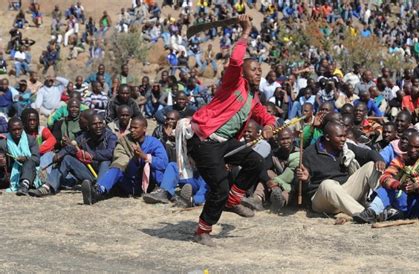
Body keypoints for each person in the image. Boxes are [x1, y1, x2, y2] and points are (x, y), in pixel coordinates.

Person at [182, 15, 276, 247]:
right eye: (253, 69)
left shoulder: (253, 99)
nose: (258, 73)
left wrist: (270, 125)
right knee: (219, 187)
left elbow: (265, 115)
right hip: (204, 141)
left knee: (255, 161)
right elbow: (235, 61)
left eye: (259, 70)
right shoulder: (233, 83)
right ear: (243, 73)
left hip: (224, 142)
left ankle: (233, 200)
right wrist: (245, 33)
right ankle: (202, 230)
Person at [353, 132, 419, 229]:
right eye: (410, 146)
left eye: (417, 147)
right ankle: (371, 212)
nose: (413, 150)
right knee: (387, 187)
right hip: (404, 200)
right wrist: (399, 185)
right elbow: (385, 177)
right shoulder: (401, 159)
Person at [296, 122, 385, 216]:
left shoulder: (345, 147)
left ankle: (380, 206)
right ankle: (364, 214)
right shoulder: (309, 154)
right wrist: (305, 180)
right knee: (327, 184)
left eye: (344, 136)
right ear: (327, 137)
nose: (343, 139)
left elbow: (368, 153)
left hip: (344, 194)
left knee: (371, 165)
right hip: (322, 200)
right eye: (339, 136)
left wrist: (379, 159)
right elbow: (298, 187)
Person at [81, 116, 168, 204]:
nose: (132, 130)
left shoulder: (154, 143)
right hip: (130, 181)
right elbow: (121, 161)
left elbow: (163, 163)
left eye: (135, 128)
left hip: (149, 183)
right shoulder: (124, 141)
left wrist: (145, 157)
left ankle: (162, 192)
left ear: (144, 129)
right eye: (131, 127)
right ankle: (97, 192)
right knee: (116, 168)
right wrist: (135, 159)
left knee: (155, 168)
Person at [36, 114, 117, 196]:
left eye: (100, 123)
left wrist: (92, 155)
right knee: (67, 158)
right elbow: (70, 147)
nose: (98, 126)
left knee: (105, 161)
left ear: (104, 124)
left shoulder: (110, 136)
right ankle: (48, 187)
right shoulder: (84, 136)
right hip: (90, 173)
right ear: (89, 126)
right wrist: (60, 154)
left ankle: (98, 190)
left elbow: (111, 152)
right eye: (94, 124)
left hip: (105, 174)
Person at [0, 117, 40, 195]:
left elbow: (37, 159)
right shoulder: (3, 143)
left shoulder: (31, 140)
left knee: (29, 162)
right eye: (14, 130)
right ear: (9, 130)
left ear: (23, 128)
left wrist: (25, 158)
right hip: (10, 174)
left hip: (29, 172)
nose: (17, 132)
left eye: (19, 129)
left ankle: (24, 186)